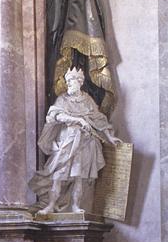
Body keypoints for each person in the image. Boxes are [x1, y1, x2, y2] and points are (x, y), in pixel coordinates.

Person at [31, 67, 123, 215]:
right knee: (58, 175)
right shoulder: (63, 99)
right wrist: (78, 119)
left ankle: (75, 206)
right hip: (67, 141)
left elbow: (98, 119)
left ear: (80, 82)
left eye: (71, 82)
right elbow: (56, 115)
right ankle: (51, 205)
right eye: (67, 82)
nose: (68, 85)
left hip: (84, 143)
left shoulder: (87, 100)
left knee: (78, 177)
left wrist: (110, 137)